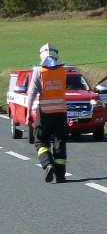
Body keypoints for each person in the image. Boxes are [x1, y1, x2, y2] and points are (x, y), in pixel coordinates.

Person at [24, 43, 69, 183]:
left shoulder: (39, 71)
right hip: (61, 113)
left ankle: (48, 163)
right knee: (59, 143)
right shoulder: (62, 71)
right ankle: (60, 176)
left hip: (44, 113)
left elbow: (31, 93)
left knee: (41, 141)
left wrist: (28, 113)